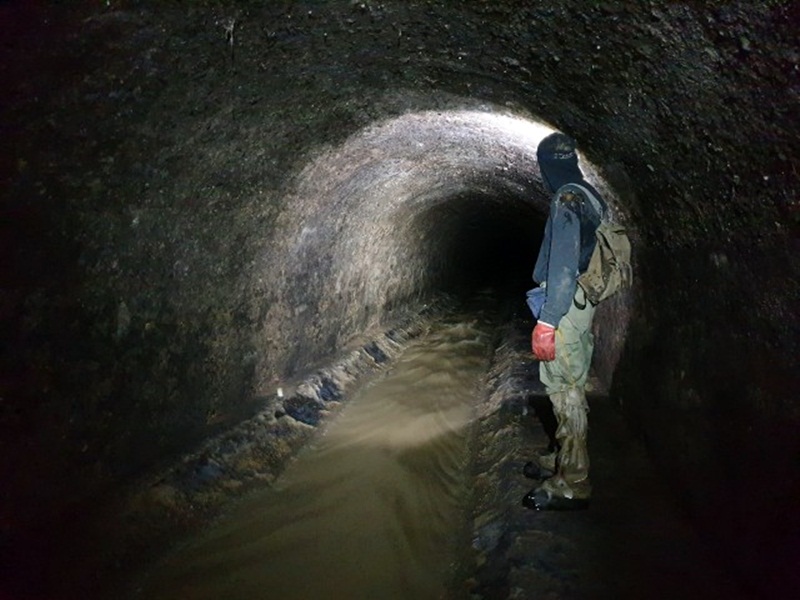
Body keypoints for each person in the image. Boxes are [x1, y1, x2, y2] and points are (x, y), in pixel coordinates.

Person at [522, 132, 607, 511]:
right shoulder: (591, 195)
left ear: (547, 167)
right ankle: (561, 456)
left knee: (565, 386)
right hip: (577, 304)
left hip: (565, 308)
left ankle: (573, 480)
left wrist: (548, 322)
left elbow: (564, 265)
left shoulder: (567, 198)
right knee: (563, 380)